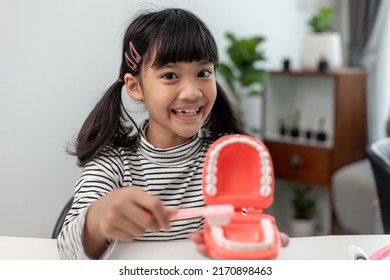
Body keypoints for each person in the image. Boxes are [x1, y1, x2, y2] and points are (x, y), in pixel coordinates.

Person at [57, 7, 287, 260]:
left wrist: (254, 240)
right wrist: (96, 220)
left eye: (203, 73)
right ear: (135, 87)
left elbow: (242, 226)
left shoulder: (225, 156)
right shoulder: (113, 162)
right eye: (169, 75)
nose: (192, 92)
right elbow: (67, 252)